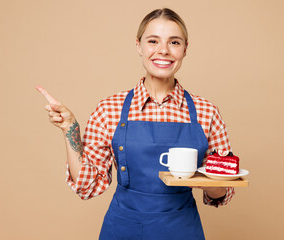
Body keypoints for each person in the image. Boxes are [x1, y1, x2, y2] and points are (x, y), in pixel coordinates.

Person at [36, 8, 235, 240]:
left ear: (185, 49)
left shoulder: (206, 112)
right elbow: (87, 186)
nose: (163, 50)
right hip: (123, 228)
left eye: (174, 42)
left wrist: (208, 182)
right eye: (153, 41)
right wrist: (70, 130)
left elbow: (222, 192)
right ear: (139, 45)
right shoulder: (109, 109)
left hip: (182, 228)